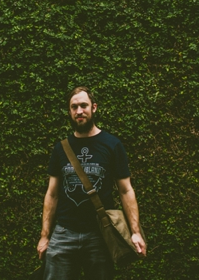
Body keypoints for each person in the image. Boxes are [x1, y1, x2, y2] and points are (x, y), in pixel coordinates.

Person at [37, 87, 147, 279]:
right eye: (74, 107)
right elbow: (52, 194)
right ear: (70, 112)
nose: (79, 111)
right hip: (64, 233)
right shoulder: (60, 149)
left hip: (100, 234)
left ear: (94, 108)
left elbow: (126, 190)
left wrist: (135, 232)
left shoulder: (112, 145)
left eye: (83, 105)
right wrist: (45, 236)